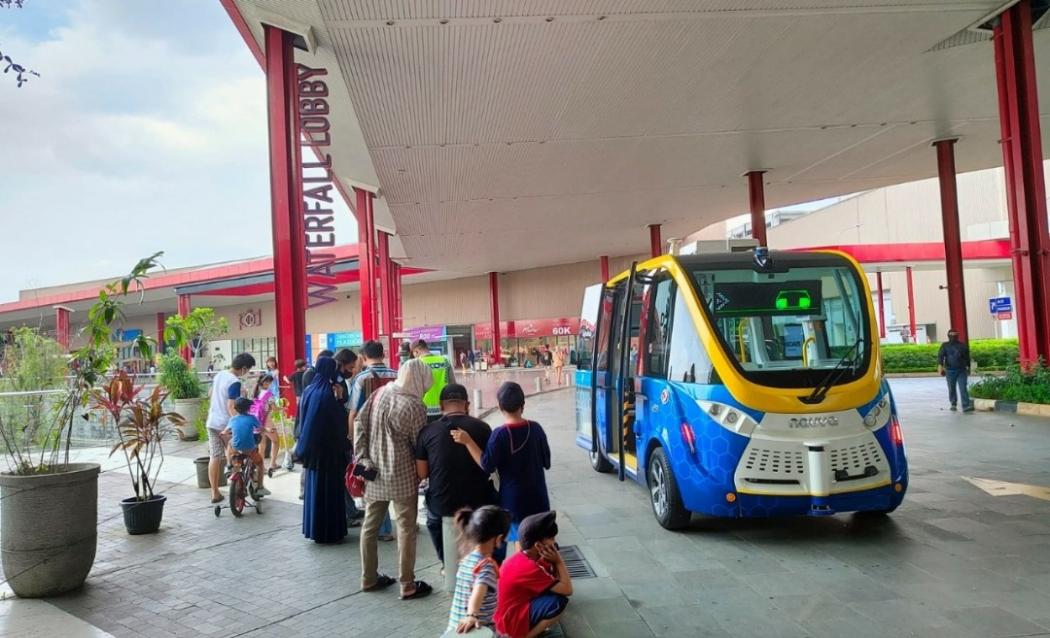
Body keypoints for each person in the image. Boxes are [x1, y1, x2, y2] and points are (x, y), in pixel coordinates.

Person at [354, 358, 433, 599]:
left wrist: (361, 457)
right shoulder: (413, 405)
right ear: (419, 379)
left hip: (373, 473)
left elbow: (359, 423)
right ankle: (407, 584)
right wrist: (425, 474)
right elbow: (419, 445)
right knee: (406, 529)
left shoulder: (379, 393)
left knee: (370, 526)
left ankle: (368, 578)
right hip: (402, 477)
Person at [453, 382, 550, 549]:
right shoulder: (536, 429)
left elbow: (486, 465)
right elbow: (546, 462)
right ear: (523, 404)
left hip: (514, 501)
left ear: (499, 406)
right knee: (540, 544)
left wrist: (468, 441)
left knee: (522, 547)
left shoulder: (499, 434)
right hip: (539, 498)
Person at [416, 383, 497, 563]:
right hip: (478, 501)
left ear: (441, 405)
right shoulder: (483, 428)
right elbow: (490, 464)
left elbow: (422, 473)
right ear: (467, 405)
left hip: (442, 503)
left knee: (432, 521)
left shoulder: (427, 431)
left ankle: (446, 563)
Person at [294, 356, 350, 544]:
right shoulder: (327, 394)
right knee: (329, 494)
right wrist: (341, 401)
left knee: (315, 492)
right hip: (329, 454)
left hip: (312, 453)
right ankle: (330, 532)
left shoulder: (310, 390)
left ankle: (315, 530)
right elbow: (338, 423)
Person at [495, 511, 572, 638]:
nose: (554, 543)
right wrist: (558, 561)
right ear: (537, 545)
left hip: (506, 616)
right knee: (558, 602)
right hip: (510, 623)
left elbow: (554, 579)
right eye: (552, 539)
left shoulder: (524, 557)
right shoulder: (529, 567)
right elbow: (567, 589)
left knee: (553, 591)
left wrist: (552, 563)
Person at [446, 506, 511, 635]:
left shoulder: (467, 559)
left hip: (455, 629)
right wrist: (472, 614)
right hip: (474, 630)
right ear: (498, 539)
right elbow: (478, 590)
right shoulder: (485, 567)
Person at [205, 353, 256, 504]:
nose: (246, 373)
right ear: (244, 368)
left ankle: (215, 492)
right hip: (226, 424)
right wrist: (240, 422)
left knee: (215, 457)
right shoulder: (234, 381)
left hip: (212, 422)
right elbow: (231, 406)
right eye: (247, 370)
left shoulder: (220, 374)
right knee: (236, 454)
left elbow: (210, 394)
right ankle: (237, 489)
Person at [334, 348, 364, 526]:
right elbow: (348, 412)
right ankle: (348, 513)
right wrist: (350, 436)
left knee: (345, 473)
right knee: (344, 473)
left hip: (341, 434)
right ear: (343, 364)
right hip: (340, 436)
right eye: (351, 367)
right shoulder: (335, 382)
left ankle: (350, 510)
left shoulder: (340, 381)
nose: (352, 371)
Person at [223, 397, 270, 497]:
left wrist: (223, 433)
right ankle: (260, 487)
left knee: (229, 443)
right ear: (249, 408)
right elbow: (261, 429)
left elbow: (226, 431)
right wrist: (268, 430)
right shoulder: (252, 418)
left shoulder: (232, 419)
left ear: (235, 409)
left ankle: (228, 465)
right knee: (260, 463)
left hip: (236, 448)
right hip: (249, 448)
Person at [412, 339, 457, 422]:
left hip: (424, 411)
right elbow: (453, 385)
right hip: (444, 409)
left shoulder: (416, 364)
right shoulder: (445, 361)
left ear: (416, 351)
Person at [938, 328, 974, 412]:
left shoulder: (962, 345)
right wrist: (940, 367)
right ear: (948, 336)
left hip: (961, 370)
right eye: (951, 335)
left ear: (957, 336)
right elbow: (940, 357)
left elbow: (967, 358)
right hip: (949, 370)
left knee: (963, 387)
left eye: (955, 335)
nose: (953, 337)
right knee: (951, 388)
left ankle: (965, 406)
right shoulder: (944, 345)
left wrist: (969, 368)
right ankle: (953, 404)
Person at [250, 374, 280, 471]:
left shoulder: (255, 392)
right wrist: (282, 408)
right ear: (263, 382)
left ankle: (261, 468)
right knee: (275, 441)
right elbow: (274, 409)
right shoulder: (268, 394)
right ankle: (273, 463)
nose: (269, 383)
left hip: (255, 421)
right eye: (268, 381)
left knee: (261, 445)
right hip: (266, 421)